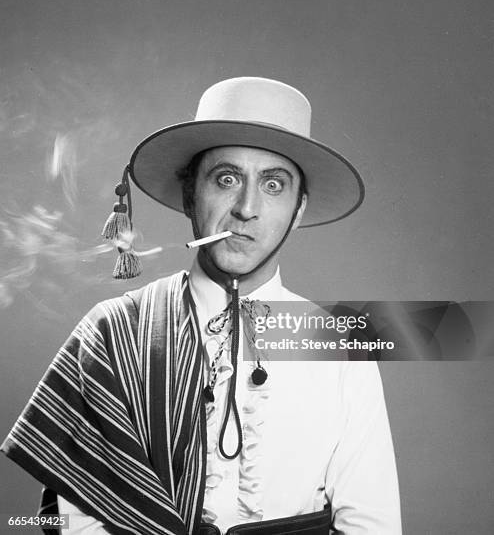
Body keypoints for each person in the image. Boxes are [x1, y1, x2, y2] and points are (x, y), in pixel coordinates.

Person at [1, 77, 401, 534]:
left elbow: (372, 524)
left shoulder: (339, 347)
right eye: (226, 179)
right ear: (192, 194)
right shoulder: (113, 331)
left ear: (298, 210)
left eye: (273, 185)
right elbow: (77, 522)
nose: (246, 208)